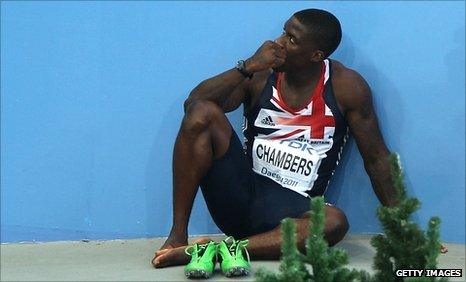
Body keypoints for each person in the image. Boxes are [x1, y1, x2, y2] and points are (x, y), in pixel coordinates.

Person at [151, 9, 443, 268]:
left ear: (316, 55)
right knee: (202, 112)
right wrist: (246, 67)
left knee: (334, 222)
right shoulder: (260, 75)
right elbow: (194, 104)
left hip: (292, 213)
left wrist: (405, 230)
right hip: (242, 194)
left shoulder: (346, 86)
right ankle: (178, 237)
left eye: (290, 39)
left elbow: (377, 159)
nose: (278, 42)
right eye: (283, 31)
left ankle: (220, 251)